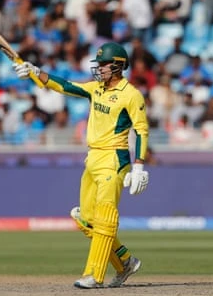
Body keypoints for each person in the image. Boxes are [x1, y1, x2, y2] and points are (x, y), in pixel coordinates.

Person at [12, 42, 149, 288]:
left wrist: (139, 166)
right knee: (86, 219)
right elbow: (64, 86)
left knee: (105, 218)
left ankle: (94, 276)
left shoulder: (131, 94)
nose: (99, 69)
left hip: (114, 158)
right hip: (93, 158)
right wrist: (34, 71)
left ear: (118, 66)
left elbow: (141, 131)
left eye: (104, 65)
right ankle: (125, 262)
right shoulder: (95, 89)